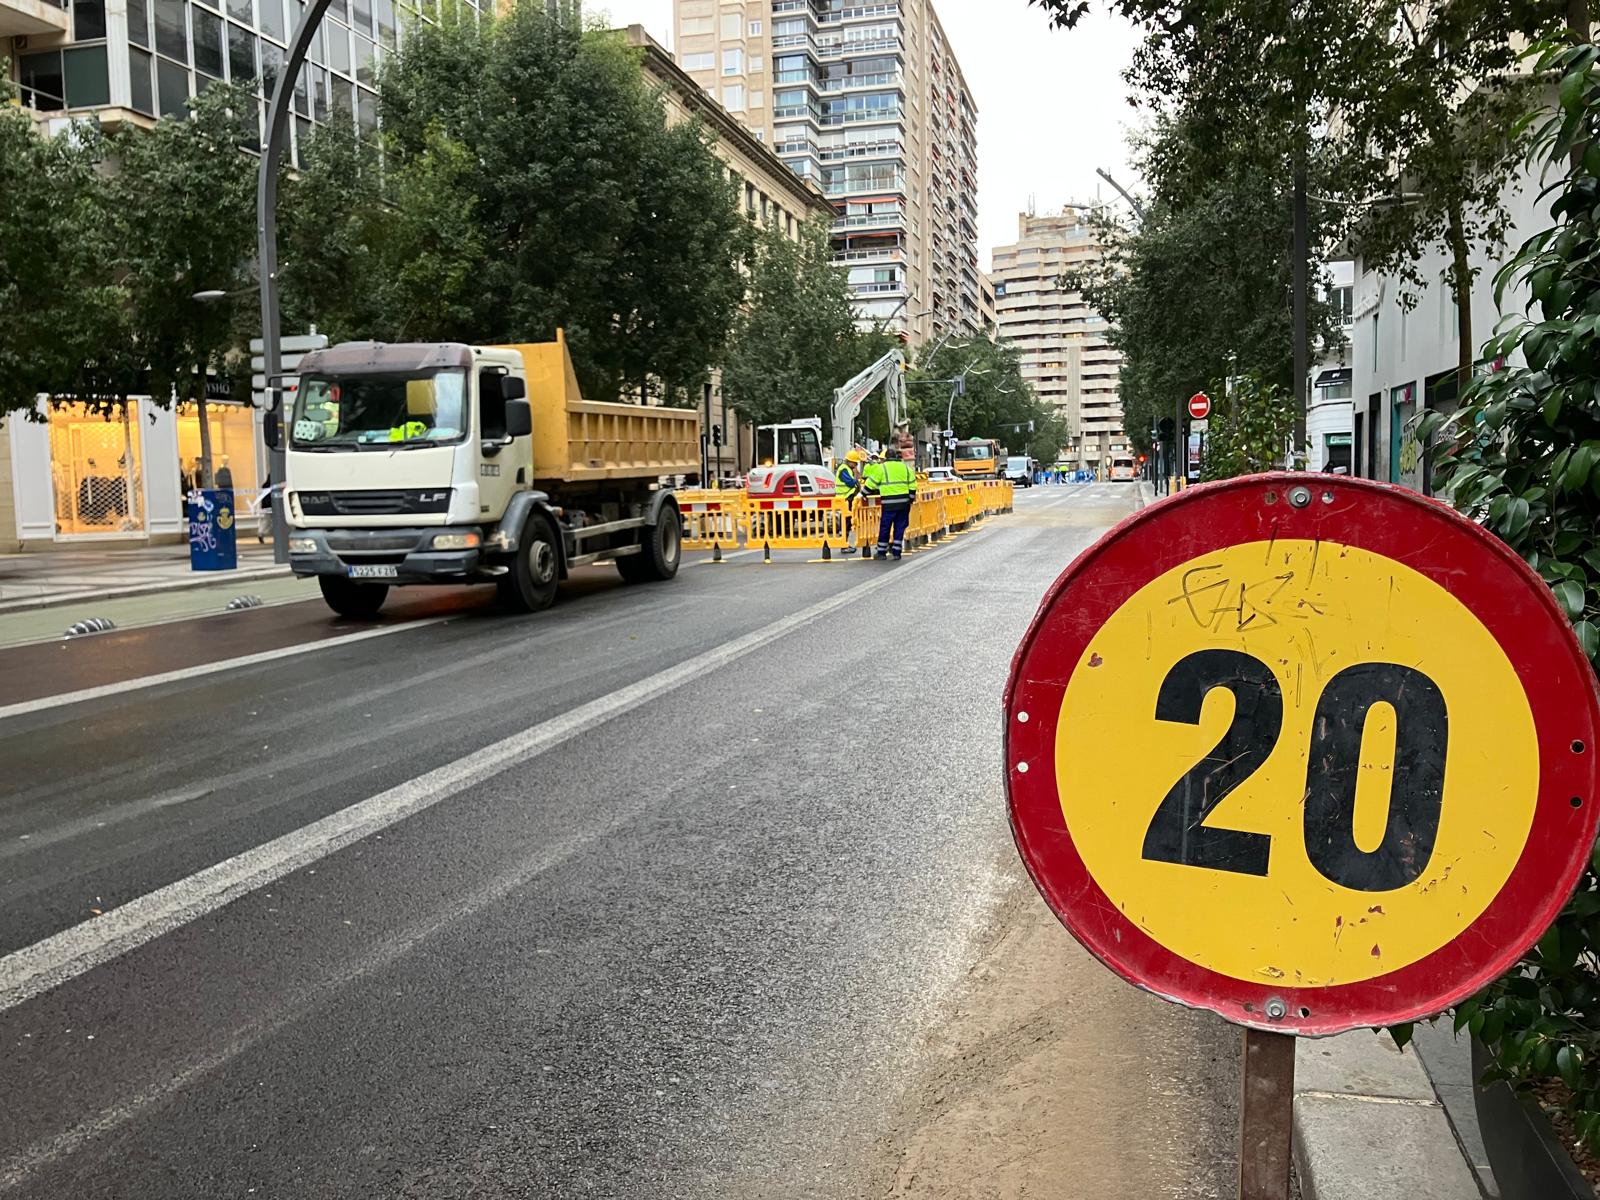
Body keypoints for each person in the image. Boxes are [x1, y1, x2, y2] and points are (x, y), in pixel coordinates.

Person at [862, 449, 917, 560]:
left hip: (889, 504)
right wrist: (910, 500)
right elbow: (912, 486)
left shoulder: (882, 468)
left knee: (885, 527)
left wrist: (863, 493)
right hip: (903, 504)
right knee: (899, 528)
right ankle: (897, 552)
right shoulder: (905, 468)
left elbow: (871, 483)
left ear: (886, 457)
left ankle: (881, 552)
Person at [835, 447, 867, 555]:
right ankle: (844, 545)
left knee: (848, 522)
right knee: (846, 522)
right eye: (855, 463)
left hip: (848, 499)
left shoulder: (847, 469)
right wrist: (856, 482)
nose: (856, 465)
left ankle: (845, 544)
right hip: (845, 499)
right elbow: (849, 482)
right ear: (850, 461)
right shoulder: (844, 469)